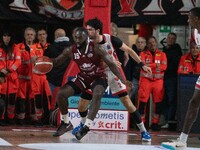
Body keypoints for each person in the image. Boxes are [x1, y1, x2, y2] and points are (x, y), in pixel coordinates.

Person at [72, 18, 152, 142]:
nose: (87, 32)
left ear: (97, 30)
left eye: (90, 30)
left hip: (112, 72)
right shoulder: (85, 43)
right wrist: (108, 62)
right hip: (96, 73)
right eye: (86, 29)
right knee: (81, 105)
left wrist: (142, 64)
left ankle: (143, 131)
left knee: (127, 102)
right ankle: (83, 124)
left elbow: (129, 50)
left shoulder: (111, 39)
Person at [52, 27, 125, 138]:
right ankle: (66, 123)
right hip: (84, 77)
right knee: (61, 94)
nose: (77, 40)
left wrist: (123, 80)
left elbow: (111, 64)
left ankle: (86, 127)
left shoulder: (96, 48)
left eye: (80, 38)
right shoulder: (70, 50)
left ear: (86, 37)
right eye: (75, 37)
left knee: (97, 94)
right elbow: (56, 61)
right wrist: (42, 62)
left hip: (99, 77)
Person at [161, 7, 200, 149]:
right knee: (194, 102)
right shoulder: (196, 33)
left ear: (197, 19)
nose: (188, 20)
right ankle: (182, 141)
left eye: (190, 17)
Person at [138, 36, 167, 131]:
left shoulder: (162, 54)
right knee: (142, 102)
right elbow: (142, 66)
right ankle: (141, 124)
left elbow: (164, 67)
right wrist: (155, 65)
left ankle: (155, 123)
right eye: (150, 42)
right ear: (147, 44)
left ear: (156, 43)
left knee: (158, 102)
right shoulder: (142, 54)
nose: (152, 44)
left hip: (158, 81)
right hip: (145, 80)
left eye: (153, 42)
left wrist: (149, 66)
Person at [44, 28, 71, 111]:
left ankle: (52, 118)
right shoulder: (72, 48)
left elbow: (45, 63)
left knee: (51, 101)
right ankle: (64, 120)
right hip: (67, 80)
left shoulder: (50, 48)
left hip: (52, 79)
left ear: (56, 36)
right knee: (66, 101)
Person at [125, 36, 147, 128]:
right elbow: (128, 68)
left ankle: (139, 123)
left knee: (141, 101)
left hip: (145, 80)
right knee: (129, 97)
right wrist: (128, 81)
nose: (140, 44)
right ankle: (127, 121)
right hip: (134, 79)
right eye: (138, 42)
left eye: (142, 42)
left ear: (145, 44)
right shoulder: (132, 53)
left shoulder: (148, 53)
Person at [162, 32, 182, 130]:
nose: (170, 40)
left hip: (172, 78)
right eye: (169, 38)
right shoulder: (164, 49)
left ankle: (170, 121)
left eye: (172, 38)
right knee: (164, 99)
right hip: (162, 78)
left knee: (171, 99)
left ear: (175, 40)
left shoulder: (177, 50)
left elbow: (174, 64)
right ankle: (166, 119)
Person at [0, 31, 21, 125]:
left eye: (8, 36)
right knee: (2, 99)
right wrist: (1, 71)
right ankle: (1, 118)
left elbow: (18, 61)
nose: (7, 38)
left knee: (12, 100)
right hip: (1, 77)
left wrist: (9, 70)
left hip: (12, 77)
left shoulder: (15, 47)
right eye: (5, 35)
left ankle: (10, 118)